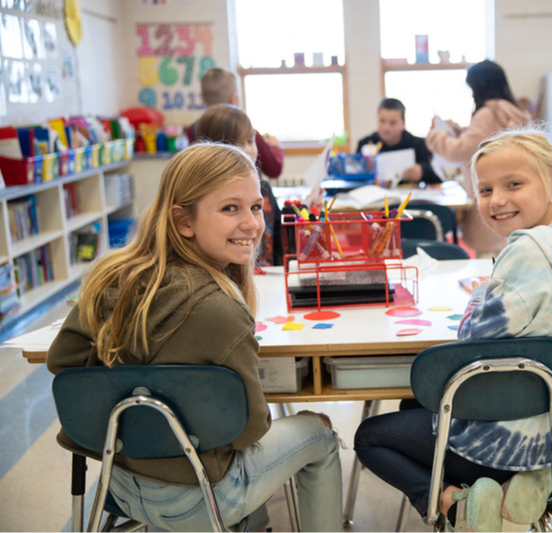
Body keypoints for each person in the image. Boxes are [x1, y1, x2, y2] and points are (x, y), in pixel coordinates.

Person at [46, 144, 343, 532]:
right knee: (318, 431)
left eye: (255, 206)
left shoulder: (110, 278)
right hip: (199, 499)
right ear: (184, 222)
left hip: (116, 483)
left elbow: (61, 363)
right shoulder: (222, 311)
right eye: (230, 208)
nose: (253, 223)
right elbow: (252, 430)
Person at [355, 127, 552, 532]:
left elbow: (473, 338)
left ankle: (455, 502)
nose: (497, 200)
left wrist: (481, 295)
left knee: (370, 437)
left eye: (513, 184)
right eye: (485, 190)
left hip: (497, 441)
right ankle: (527, 483)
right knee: (412, 409)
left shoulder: (526, 251)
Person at [426, 60, 530, 256]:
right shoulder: (512, 112)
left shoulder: (488, 114)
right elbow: (483, 141)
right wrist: (459, 130)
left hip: (492, 202)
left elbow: (461, 151)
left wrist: (436, 136)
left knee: (488, 265)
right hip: (514, 198)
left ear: (479, 86)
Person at [195, 104, 283, 267]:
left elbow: (279, 241)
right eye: (236, 144)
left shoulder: (264, 189)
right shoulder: (205, 195)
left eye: (250, 141)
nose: (247, 150)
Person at [187, 67, 284, 179]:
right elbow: (274, 169)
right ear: (234, 98)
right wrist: (275, 147)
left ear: (203, 98)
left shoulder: (193, 129)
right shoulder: (246, 131)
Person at [356, 98, 440, 185]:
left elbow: (438, 175)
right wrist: (370, 180)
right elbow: (353, 177)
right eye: (382, 121)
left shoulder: (418, 145)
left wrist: (422, 171)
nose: (386, 127)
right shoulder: (365, 144)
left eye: (392, 123)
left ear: (403, 124)